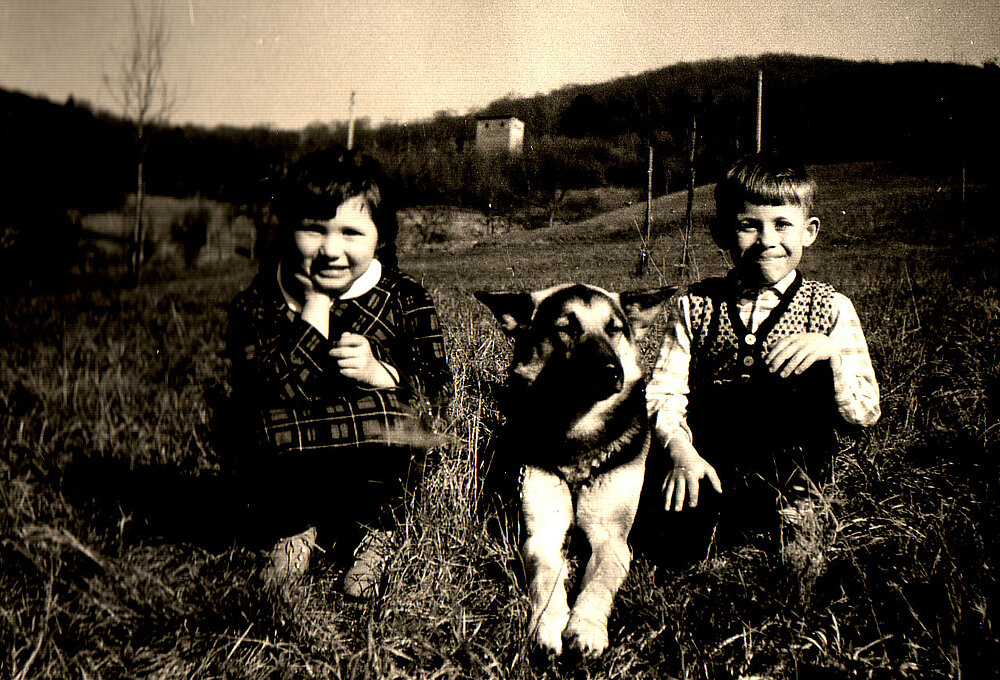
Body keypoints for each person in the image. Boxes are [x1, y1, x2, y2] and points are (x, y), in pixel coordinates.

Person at [225, 146, 452, 597]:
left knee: (400, 421)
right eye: (313, 228)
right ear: (289, 228)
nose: (330, 250)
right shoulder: (261, 302)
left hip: (376, 459)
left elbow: (438, 389)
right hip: (293, 464)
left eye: (351, 232)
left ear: (380, 237)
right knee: (254, 422)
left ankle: (377, 532)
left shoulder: (404, 297)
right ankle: (294, 527)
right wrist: (315, 306)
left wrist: (380, 372)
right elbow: (270, 387)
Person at [645, 152, 880, 559]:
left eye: (782, 224)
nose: (767, 240)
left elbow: (865, 411)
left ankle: (799, 512)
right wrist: (680, 452)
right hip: (710, 459)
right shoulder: (694, 304)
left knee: (812, 369)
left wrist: (832, 357)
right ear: (721, 233)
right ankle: (715, 521)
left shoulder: (831, 307)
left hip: (788, 462)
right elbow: (663, 394)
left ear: (809, 232)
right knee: (678, 552)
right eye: (748, 225)